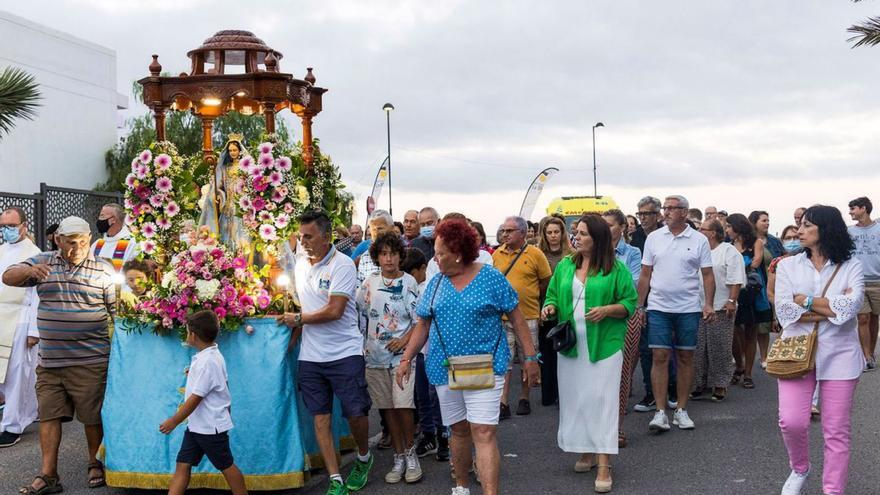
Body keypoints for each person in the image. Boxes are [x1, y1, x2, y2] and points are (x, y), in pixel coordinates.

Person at [395, 219, 540, 495]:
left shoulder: (490, 277)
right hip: (445, 368)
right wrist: (407, 359)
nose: (435, 259)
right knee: (458, 431)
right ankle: (461, 487)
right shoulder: (435, 283)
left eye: (440, 253)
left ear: (458, 252)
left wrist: (531, 358)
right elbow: (423, 324)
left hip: (487, 367)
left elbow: (517, 317)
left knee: (483, 432)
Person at [3, 216, 116, 493]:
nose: (76, 247)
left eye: (81, 241)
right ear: (58, 240)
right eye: (70, 242)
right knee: (50, 416)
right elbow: (8, 276)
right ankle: (48, 475)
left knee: (92, 417)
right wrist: (31, 272)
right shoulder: (44, 261)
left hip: (91, 359)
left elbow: (116, 312)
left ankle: (94, 463)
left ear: (89, 239)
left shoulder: (103, 268)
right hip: (51, 360)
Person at [277, 210, 374, 495]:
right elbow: (300, 305)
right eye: (300, 236)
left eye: (309, 236)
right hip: (311, 356)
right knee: (320, 417)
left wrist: (299, 321)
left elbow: (334, 310)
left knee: (356, 412)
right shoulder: (299, 265)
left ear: (326, 237)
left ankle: (364, 458)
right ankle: (335, 479)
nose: (303, 241)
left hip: (345, 352)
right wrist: (294, 332)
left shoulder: (343, 265)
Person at [543, 214, 637, 493]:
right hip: (571, 346)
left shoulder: (615, 268)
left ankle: (605, 463)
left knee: (603, 400)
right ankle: (585, 451)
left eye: (583, 233)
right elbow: (551, 295)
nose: (576, 237)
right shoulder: (565, 265)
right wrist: (549, 307)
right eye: (576, 232)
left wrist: (608, 310)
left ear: (597, 239)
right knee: (578, 399)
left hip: (604, 344)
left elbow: (630, 302)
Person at [774, 205, 864, 495]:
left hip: (840, 354)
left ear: (825, 230)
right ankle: (800, 467)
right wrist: (828, 307)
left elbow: (850, 309)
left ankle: (832, 490)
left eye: (807, 225)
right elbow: (785, 310)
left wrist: (807, 301)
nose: (799, 230)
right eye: (800, 224)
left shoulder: (852, 265)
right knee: (792, 422)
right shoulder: (788, 265)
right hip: (795, 353)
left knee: (836, 430)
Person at [636, 195, 715, 432]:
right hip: (659, 306)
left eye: (672, 208)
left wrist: (708, 303)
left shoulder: (699, 239)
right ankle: (660, 412)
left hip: (688, 308)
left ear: (684, 212)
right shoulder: (653, 238)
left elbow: (708, 274)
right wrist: (640, 306)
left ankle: (681, 409)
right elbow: (645, 274)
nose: (666, 212)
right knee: (659, 356)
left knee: (685, 357)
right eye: (665, 208)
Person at [355, 233, 422, 484]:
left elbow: (419, 322)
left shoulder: (409, 283)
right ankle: (398, 457)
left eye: (393, 253)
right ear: (377, 257)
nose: (389, 259)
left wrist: (404, 342)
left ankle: (411, 453)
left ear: (400, 256)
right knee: (388, 410)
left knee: (404, 407)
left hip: (402, 358)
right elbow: (358, 313)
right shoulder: (369, 283)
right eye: (383, 254)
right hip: (374, 357)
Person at [160, 310, 248, 495]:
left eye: (186, 331)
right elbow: (223, 387)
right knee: (183, 464)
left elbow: (195, 399)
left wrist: (174, 421)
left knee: (227, 466)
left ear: (193, 335)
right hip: (197, 427)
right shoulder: (210, 357)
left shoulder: (208, 361)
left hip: (210, 428)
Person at [492, 216, 551, 418]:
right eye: (504, 230)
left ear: (523, 233)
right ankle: (503, 401)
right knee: (504, 361)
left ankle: (524, 398)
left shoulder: (535, 254)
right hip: (502, 318)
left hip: (528, 315)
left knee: (528, 357)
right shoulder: (496, 255)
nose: (505, 234)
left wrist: (534, 300)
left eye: (510, 231)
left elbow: (545, 282)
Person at [403, 248, 449, 462]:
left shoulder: (432, 286)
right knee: (421, 396)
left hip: (435, 350)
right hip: (420, 352)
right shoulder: (409, 286)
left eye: (413, 272)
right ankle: (428, 434)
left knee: (436, 396)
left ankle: (444, 436)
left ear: (422, 269)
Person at [0, 208, 41, 448]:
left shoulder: (34, 254)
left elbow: (37, 293)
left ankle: (13, 426)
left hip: (22, 318)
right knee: (4, 376)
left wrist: (34, 330)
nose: (7, 230)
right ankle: (22, 413)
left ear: (24, 225)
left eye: (11, 225)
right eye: (3, 226)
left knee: (18, 373)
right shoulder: (1, 250)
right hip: (1, 316)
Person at [691, 219, 743, 402]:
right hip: (697, 306)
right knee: (699, 347)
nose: (698, 231)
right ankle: (699, 383)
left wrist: (731, 300)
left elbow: (736, 278)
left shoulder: (728, 251)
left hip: (721, 306)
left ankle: (720, 384)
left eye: (702, 229)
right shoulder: (698, 250)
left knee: (719, 346)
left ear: (713, 233)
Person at [602, 209, 642, 448]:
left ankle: (616, 427)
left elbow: (632, 283)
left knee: (622, 371)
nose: (606, 230)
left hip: (625, 315)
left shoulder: (632, 252)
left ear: (621, 228)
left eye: (609, 225)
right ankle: (598, 427)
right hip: (597, 316)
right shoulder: (590, 252)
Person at [629, 196, 672, 413]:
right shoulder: (634, 237)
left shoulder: (667, 235)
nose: (643, 218)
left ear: (658, 215)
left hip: (666, 299)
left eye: (646, 213)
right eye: (640, 214)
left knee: (667, 349)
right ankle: (650, 393)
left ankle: (671, 390)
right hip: (643, 300)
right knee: (646, 349)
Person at [726, 213, 769, 390]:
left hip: (751, 292)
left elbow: (756, 262)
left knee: (751, 332)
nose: (727, 230)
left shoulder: (755, 242)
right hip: (733, 291)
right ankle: (739, 365)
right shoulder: (727, 246)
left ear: (737, 227)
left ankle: (748, 373)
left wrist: (737, 264)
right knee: (734, 332)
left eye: (729, 226)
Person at [536, 216, 573, 406]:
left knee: (565, 351)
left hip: (565, 310)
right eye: (549, 232)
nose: (553, 236)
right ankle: (549, 393)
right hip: (545, 308)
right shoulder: (538, 254)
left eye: (556, 232)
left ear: (562, 233)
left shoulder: (572, 254)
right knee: (546, 353)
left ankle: (565, 393)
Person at [198, 137, 250, 253]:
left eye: (235, 150)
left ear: (240, 150)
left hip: (241, 204)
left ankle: (242, 257)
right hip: (228, 204)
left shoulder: (245, 167)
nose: (232, 153)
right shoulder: (225, 168)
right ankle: (228, 257)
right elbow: (218, 186)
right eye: (230, 150)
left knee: (240, 232)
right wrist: (219, 195)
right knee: (226, 231)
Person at [847, 196, 879, 372]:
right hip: (858, 281)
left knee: (874, 318)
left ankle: (872, 352)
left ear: (864, 208)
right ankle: (865, 355)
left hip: (878, 281)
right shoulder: (849, 232)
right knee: (863, 318)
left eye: (853, 208)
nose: (850, 212)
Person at [749, 211, 783, 369]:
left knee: (767, 324)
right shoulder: (749, 241)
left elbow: (784, 258)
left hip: (774, 285)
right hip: (756, 285)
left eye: (768, 220)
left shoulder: (774, 242)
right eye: (763, 220)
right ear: (754, 222)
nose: (767, 223)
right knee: (754, 324)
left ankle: (764, 357)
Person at [353, 210, 395, 285]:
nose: (376, 233)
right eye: (373, 229)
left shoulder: (401, 254)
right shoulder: (365, 257)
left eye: (380, 228)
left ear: (392, 229)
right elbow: (359, 286)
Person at [92, 203, 137, 272]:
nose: (99, 220)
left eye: (102, 216)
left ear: (113, 219)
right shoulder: (98, 244)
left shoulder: (131, 243)